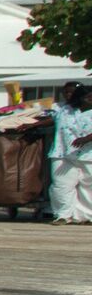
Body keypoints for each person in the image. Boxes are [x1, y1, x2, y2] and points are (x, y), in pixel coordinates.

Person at [55, 82, 92, 224]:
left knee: (88, 186)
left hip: (88, 154)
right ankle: (63, 215)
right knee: (61, 184)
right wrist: (33, 124)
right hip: (62, 152)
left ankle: (87, 216)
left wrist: (86, 138)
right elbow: (52, 120)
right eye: (88, 97)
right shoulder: (65, 110)